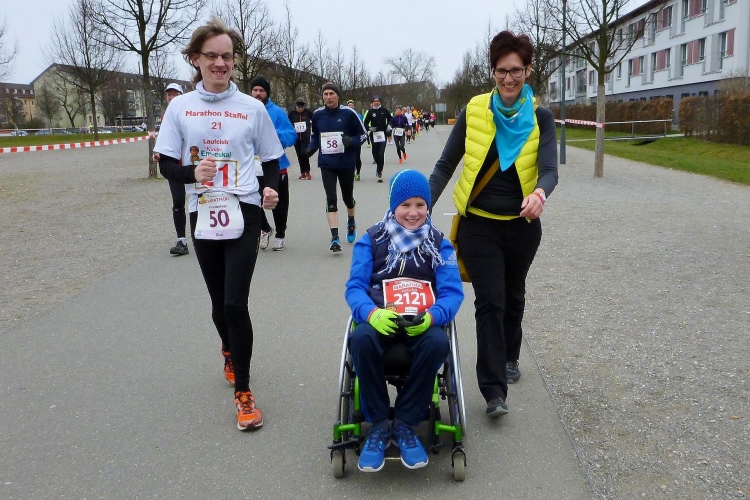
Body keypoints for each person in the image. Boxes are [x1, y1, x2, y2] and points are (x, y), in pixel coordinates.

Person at [155, 17, 284, 431]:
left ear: (234, 61)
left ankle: (243, 392)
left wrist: (269, 189)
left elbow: (271, 160)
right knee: (217, 304)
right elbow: (166, 165)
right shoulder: (180, 107)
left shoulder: (252, 107)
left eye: (227, 56)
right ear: (196, 58)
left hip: (244, 210)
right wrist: (193, 173)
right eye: (211, 56)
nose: (220, 63)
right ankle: (228, 348)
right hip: (204, 211)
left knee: (234, 303)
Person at [428, 30, 558, 418]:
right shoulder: (474, 111)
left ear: (528, 70)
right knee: (490, 302)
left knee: (513, 294)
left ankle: (510, 355)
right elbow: (445, 165)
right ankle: (493, 391)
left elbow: (550, 170)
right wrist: (415, 206)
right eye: (501, 71)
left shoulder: (541, 117)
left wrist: (540, 194)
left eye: (516, 70)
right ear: (493, 72)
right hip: (478, 226)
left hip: (522, 226)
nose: (508, 78)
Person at [345, 169, 463, 472]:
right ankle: (379, 423)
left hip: (421, 323)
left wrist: (433, 316)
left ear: (428, 207)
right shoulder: (371, 240)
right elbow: (355, 288)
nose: (413, 212)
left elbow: (452, 293)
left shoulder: (440, 244)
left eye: (420, 205)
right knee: (360, 338)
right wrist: (371, 313)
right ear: (393, 205)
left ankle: (405, 423)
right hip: (381, 320)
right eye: (405, 205)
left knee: (438, 342)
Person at [306, 82, 367, 252]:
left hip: (346, 162)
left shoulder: (349, 113)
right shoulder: (317, 115)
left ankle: (351, 220)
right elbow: (315, 136)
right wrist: (311, 148)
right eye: (325, 94)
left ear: (338, 95)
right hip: (327, 163)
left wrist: (351, 141)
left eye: (331, 94)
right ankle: (335, 238)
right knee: (331, 197)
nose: (328, 97)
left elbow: (363, 134)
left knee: (348, 198)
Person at [249, 76, 297, 251]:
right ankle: (265, 229)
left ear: (267, 93)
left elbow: (291, 136)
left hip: (277, 165)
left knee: (279, 203)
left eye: (261, 91)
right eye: (255, 90)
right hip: (251, 166)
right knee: (252, 201)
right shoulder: (245, 110)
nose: (258, 93)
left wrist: (272, 134)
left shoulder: (277, 112)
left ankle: (280, 235)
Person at [153, 82, 189, 256]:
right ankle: (182, 240)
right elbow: (165, 141)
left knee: (201, 199)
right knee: (178, 202)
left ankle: (206, 237)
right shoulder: (165, 117)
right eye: (169, 94)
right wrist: (159, 153)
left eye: (175, 94)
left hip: (191, 164)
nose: (172, 97)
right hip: (174, 165)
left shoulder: (190, 114)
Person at [362, 96, 391, 182]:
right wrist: (369, 128)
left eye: (378, 101)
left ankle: (379, 171)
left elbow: (391, 119)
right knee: (375, 152)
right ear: (372, 103)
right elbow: (365, 123)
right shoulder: (370, 112)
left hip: (383, 134)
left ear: (380, 102)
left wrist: (389, 126)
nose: (376, 102)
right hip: (374, 134)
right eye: (374, 101)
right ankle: (377, 163)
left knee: (381, 153)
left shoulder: (384, 110)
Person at [288, 98, 314, 180]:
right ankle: (302, 172)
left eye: (302, 107)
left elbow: (314, 119)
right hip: (296, 137)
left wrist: (311, 128)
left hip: (305, 136)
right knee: (299, 154)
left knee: (304, 153)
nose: (300, 109)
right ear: (296, 106)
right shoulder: (292, 114)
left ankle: (307, 171)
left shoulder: (307, 112)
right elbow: (287, 123)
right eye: (299, 107)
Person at [346, 99, 365, 181]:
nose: (351, 106)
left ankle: (358, 172)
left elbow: (362, 127)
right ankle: (350, 172)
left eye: (352, 105)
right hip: (346, 139)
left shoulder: (358, 115)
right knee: (348, 157)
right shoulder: (344, 114)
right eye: (349, 105)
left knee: (357, 157)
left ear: (354, 106)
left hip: (356, 139)